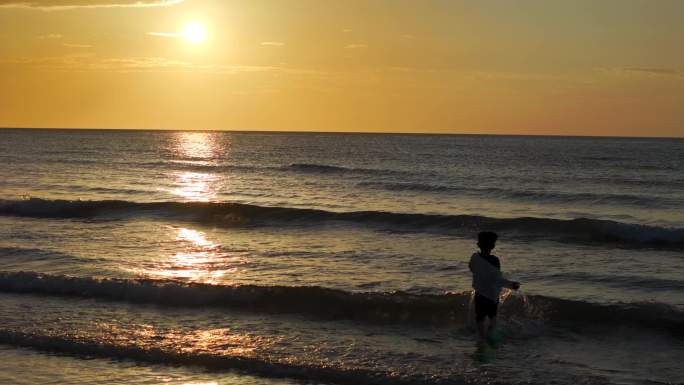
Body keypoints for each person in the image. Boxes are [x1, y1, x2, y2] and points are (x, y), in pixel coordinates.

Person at [468, 231, 520, 343]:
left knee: (480, 317)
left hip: (480, 293)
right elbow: (497, 279)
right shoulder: (495, 260)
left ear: (478, 245)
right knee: (492, 317)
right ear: (493, 246)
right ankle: (490, 336)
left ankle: (482, 338)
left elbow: (472, 268)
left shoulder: (474, 258)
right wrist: (512, 285)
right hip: (492, 295)